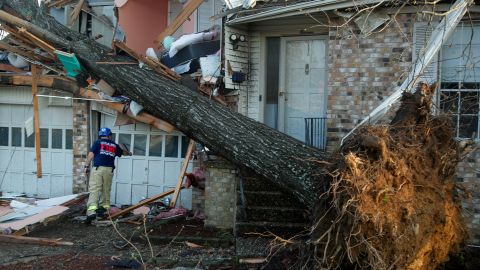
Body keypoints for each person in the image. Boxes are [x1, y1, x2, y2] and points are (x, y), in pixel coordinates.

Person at [84, 127, 131, 223]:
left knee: (95, 189)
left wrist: (86, 166)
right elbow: (123, 153)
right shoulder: (114, 145)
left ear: (100, 135)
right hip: (109, 170)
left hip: (98, 169)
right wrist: (129, 152)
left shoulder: (97, 142)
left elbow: (91, 154)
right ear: (109, 135)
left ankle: (92, 212)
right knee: (106, 190)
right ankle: (103, 210)